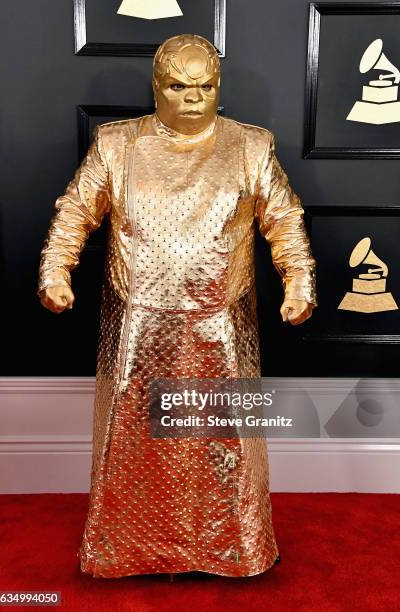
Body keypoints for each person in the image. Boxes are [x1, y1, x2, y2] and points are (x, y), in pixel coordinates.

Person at [37, 33, 317, 578]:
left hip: (222, 320)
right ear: (157, 86)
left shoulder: (250, 145)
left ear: (219, 87)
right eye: (179, 86)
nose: (193, 97)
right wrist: (55, 270)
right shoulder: (117, 144)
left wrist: (300, 282)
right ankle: (128, 550)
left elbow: (283, 219)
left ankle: (234, 550)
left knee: (225, 439)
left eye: (206, 86)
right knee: (133, 440)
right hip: (137, 319)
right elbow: (75, 211)